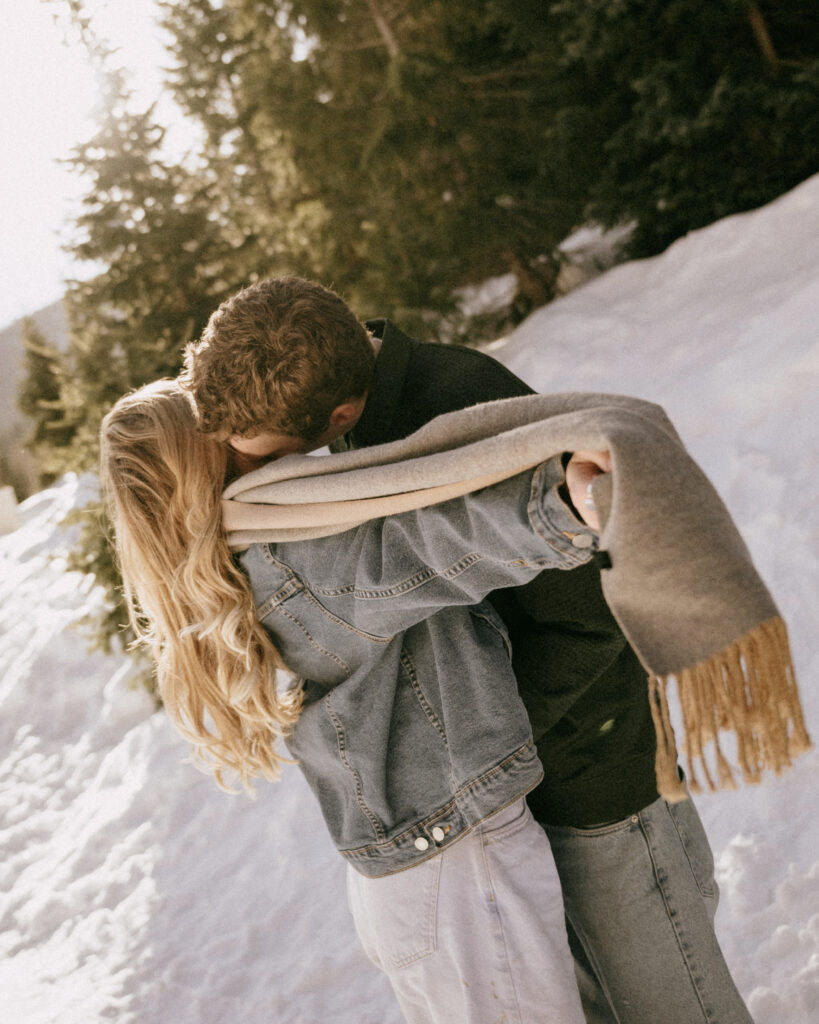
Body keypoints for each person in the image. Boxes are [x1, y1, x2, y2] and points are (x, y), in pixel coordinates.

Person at [182, 276, 757, 1024]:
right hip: (523, 794)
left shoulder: (455, 406)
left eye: (268, 454)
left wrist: (494, 736)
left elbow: (588, 616)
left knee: (673, 1007)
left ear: (340, 414)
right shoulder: (344, 407)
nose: (253, 468)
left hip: (594, 782)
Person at [102, 378, 615, 1023]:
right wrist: (561, 506)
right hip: (453, 865)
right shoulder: (289, 553)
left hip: (422, 868)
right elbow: (419, 552)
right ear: (211, 452)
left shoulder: (255, 548)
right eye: (218, 419)